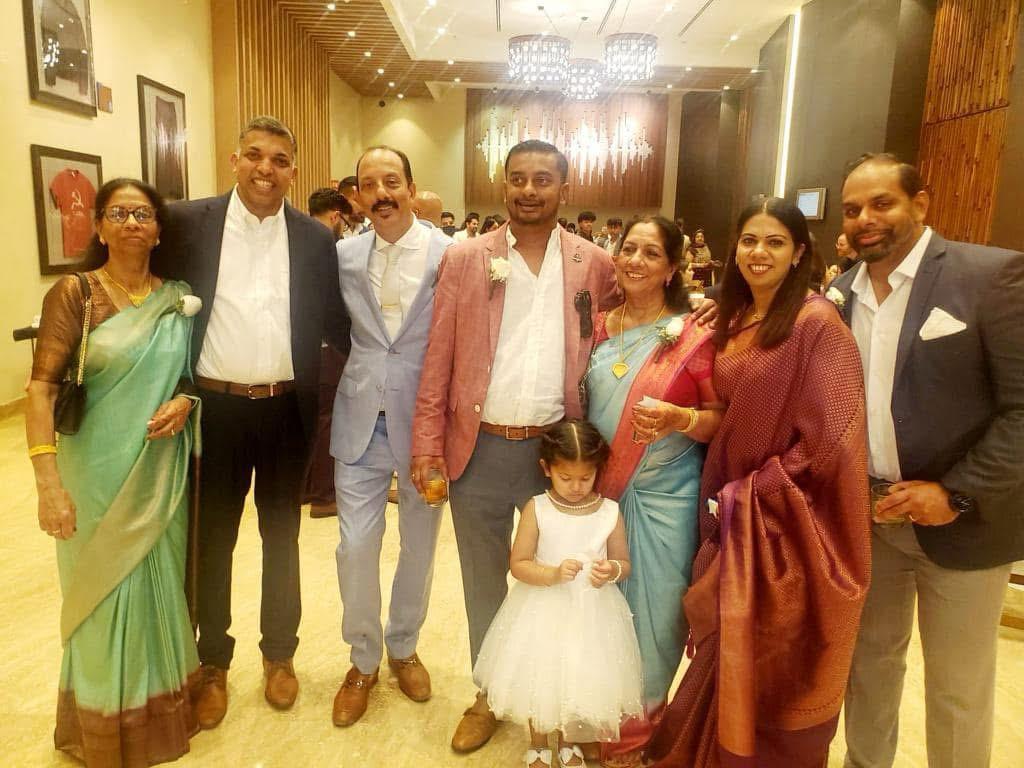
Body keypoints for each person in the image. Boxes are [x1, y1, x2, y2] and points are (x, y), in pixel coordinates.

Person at [410, 139, 620, 755]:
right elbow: (438, 357)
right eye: (519, 178)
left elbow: (620, 335)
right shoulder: (465, 258)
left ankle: (550, 696)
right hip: (476, 448)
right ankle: (489, 694)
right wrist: (427, 444)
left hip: (552, 458)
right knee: (482, 580)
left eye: (543, 179)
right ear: (503, 186)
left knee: (553, 580)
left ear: (564, 189)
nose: (529, 190)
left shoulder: (593, 263)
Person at [647, 197, 871, 767]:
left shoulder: (817, 324)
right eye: (749, 240)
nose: (759, 252)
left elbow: (830, 438)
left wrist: (755, 494)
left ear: (799, 253)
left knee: (769, 651)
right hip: (728, 502)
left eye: (775, 242)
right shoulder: (733, 315)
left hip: (784, 516)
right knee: (725, 641)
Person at [157, 115, 350, 728]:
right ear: (234, 159)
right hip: (214, 410)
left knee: (282, 537)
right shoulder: (188, 223)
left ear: (293, 170)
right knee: (212, 539)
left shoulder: (315, 240)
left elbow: (338, 322)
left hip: (287, 411)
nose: (266, 169)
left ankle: (279, 655)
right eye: (255, 155)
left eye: (280, 160)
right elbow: (145, 293)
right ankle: (211, 659)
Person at [832, 154, 1024, 768]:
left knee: (957, 688)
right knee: (869, 668)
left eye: (881, 203)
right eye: (853, 209)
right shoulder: (839, 294)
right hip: (871, 520)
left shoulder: (988, 275)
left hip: (964, 523)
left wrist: (954, 493)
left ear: (920, 203)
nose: (865, 218)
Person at [26, 178, 202, 766]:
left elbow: (189, 376)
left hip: (158, 469)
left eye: (143, 214)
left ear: (159, 231)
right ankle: (102, 728)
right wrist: (48, 485)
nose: (131, 223)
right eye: (119, 213)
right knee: (101, 594)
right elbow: (41, 390)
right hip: (93, 471)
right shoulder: (75, 293)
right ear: (99, 226)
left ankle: (160, 717)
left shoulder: (176, 299)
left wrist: (186, 401)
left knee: (158, 585)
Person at [585, 216, 724, 767]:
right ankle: (596, 715)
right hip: (598, 498)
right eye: (629, 250)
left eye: (651, 253)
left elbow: (718, 419)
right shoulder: (596, 327)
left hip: (667, 498)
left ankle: (639, 731)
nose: (635, 261)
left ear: (672, 268)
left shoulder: (694, 334)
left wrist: (678, 418)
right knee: (598, 608)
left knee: (657, 615)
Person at [329, 146, 453, 727]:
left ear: (410, 186)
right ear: (357, 195)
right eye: (369, 184)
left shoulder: (451, 254)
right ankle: (362, 659)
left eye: (391, 181)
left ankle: (404, 646)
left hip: (428, 426)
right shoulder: (344, 255)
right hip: (360, 419)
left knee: (419, 545)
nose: (381, 193)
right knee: (355, 547)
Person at [473, 421, 643, 768]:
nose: (576, 487)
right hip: (542, 607)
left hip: (592, 612)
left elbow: (623, 563)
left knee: (577, 674)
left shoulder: (609, 512)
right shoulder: (538, 508)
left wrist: (610, 570)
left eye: (586, 478)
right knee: (540, 674)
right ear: (546, 468)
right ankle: (537, 743)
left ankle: (569, 740)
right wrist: (551, 574)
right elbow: (519, 563)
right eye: (566, 478)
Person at [305, 188, 354, 519]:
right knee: (327, 421)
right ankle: (323, 496)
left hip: (300, 352)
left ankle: (307, 489)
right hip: (326, 348)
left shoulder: (297, 239)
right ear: (336, 216)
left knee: (310, 421)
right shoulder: (326, 247)